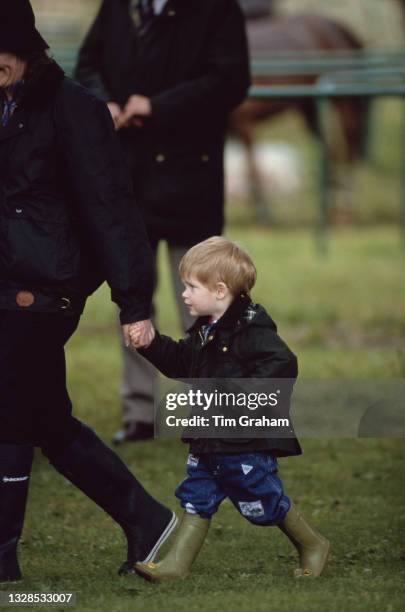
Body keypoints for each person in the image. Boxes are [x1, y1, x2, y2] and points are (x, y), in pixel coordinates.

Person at [0, 0, 177, 583]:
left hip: (45, 294)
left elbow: (112, 210)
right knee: (46, 418)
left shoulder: (73, 109)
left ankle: (3, 563)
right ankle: (147, 520)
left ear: (24, 51)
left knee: (11, 415)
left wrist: (133, 301)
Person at [75, 0, 251, 443]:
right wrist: (106, 103)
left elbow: (230, 80)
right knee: (133, 301)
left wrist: (157, 106)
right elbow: (88, 63)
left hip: (190, 177)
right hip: (129, 180)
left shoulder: (216, 9)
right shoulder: (119, 6)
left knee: (205, 300)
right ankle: (140, 411)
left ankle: (212, 412)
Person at [130, 237, 330, 581]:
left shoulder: (252, 329)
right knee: (197, 496)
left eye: (192, 286)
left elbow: (282, 365)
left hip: (244, 441)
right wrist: (151, 344)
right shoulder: (205, 331)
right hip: (209, 439)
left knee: (264, 501)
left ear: (220, 290)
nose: (184, 294)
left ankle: (313, 545)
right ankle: (176, 566)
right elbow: (182, 362)